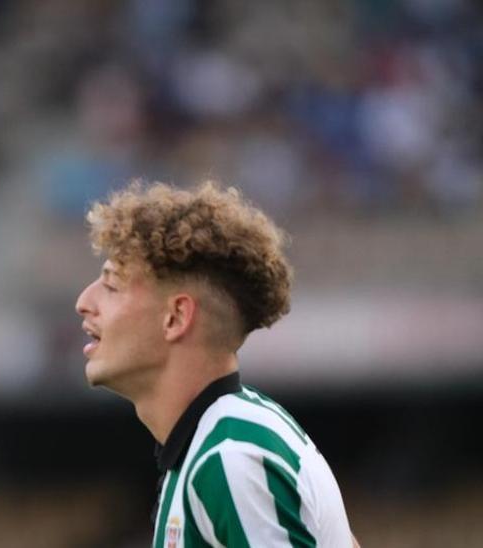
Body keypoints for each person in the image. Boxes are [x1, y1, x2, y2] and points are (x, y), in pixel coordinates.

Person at [74, 181, 359, 547]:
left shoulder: (230, 457)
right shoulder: (221, 441)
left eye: (112, 286)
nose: (84, 302)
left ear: (176, 317)